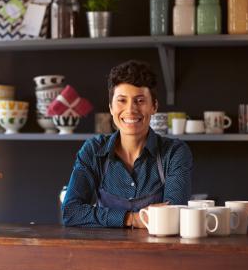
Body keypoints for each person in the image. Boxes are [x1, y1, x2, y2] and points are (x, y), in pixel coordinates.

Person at [61, 60, 192, 228]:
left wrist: (104, 216)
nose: (130, 110)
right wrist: (133, 219)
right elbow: (70, 212)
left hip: (159, 253)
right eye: (122, 100)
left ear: (154, 106)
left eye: (139, 100)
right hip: (105, 253)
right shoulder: (94, 151)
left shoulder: (174, 153)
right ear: (110, 107)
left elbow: (174, 215)